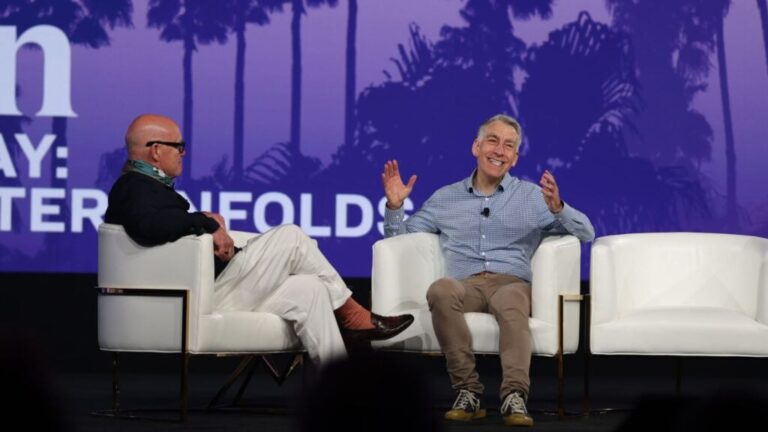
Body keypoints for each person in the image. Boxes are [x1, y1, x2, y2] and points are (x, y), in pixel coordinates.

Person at [105, 114, 413, 366]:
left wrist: (202, 222)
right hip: (193, 301)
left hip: (213, 291)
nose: (183, 153)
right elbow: (148, 225)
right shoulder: (132, 186)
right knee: (292, 237)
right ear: (156, 150)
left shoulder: (147, 188)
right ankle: (353, 314)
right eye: (179, 146)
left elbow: (162, 223)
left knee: (310, 289)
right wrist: (205, 223)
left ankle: (340, 390)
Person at [380, 114, 595, 427]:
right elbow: (399, 241)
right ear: (476, 147)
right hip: (465, 284)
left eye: (509, 146)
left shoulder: (533, 197)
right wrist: (395, 207)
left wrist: (558, 208)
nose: (499, 150)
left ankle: (514, 394)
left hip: (512, 283)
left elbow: (587, 233)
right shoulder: (445, 198)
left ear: (515, 158)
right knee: (440, 290)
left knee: (510, 300)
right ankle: (468, 391)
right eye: (493, 141)